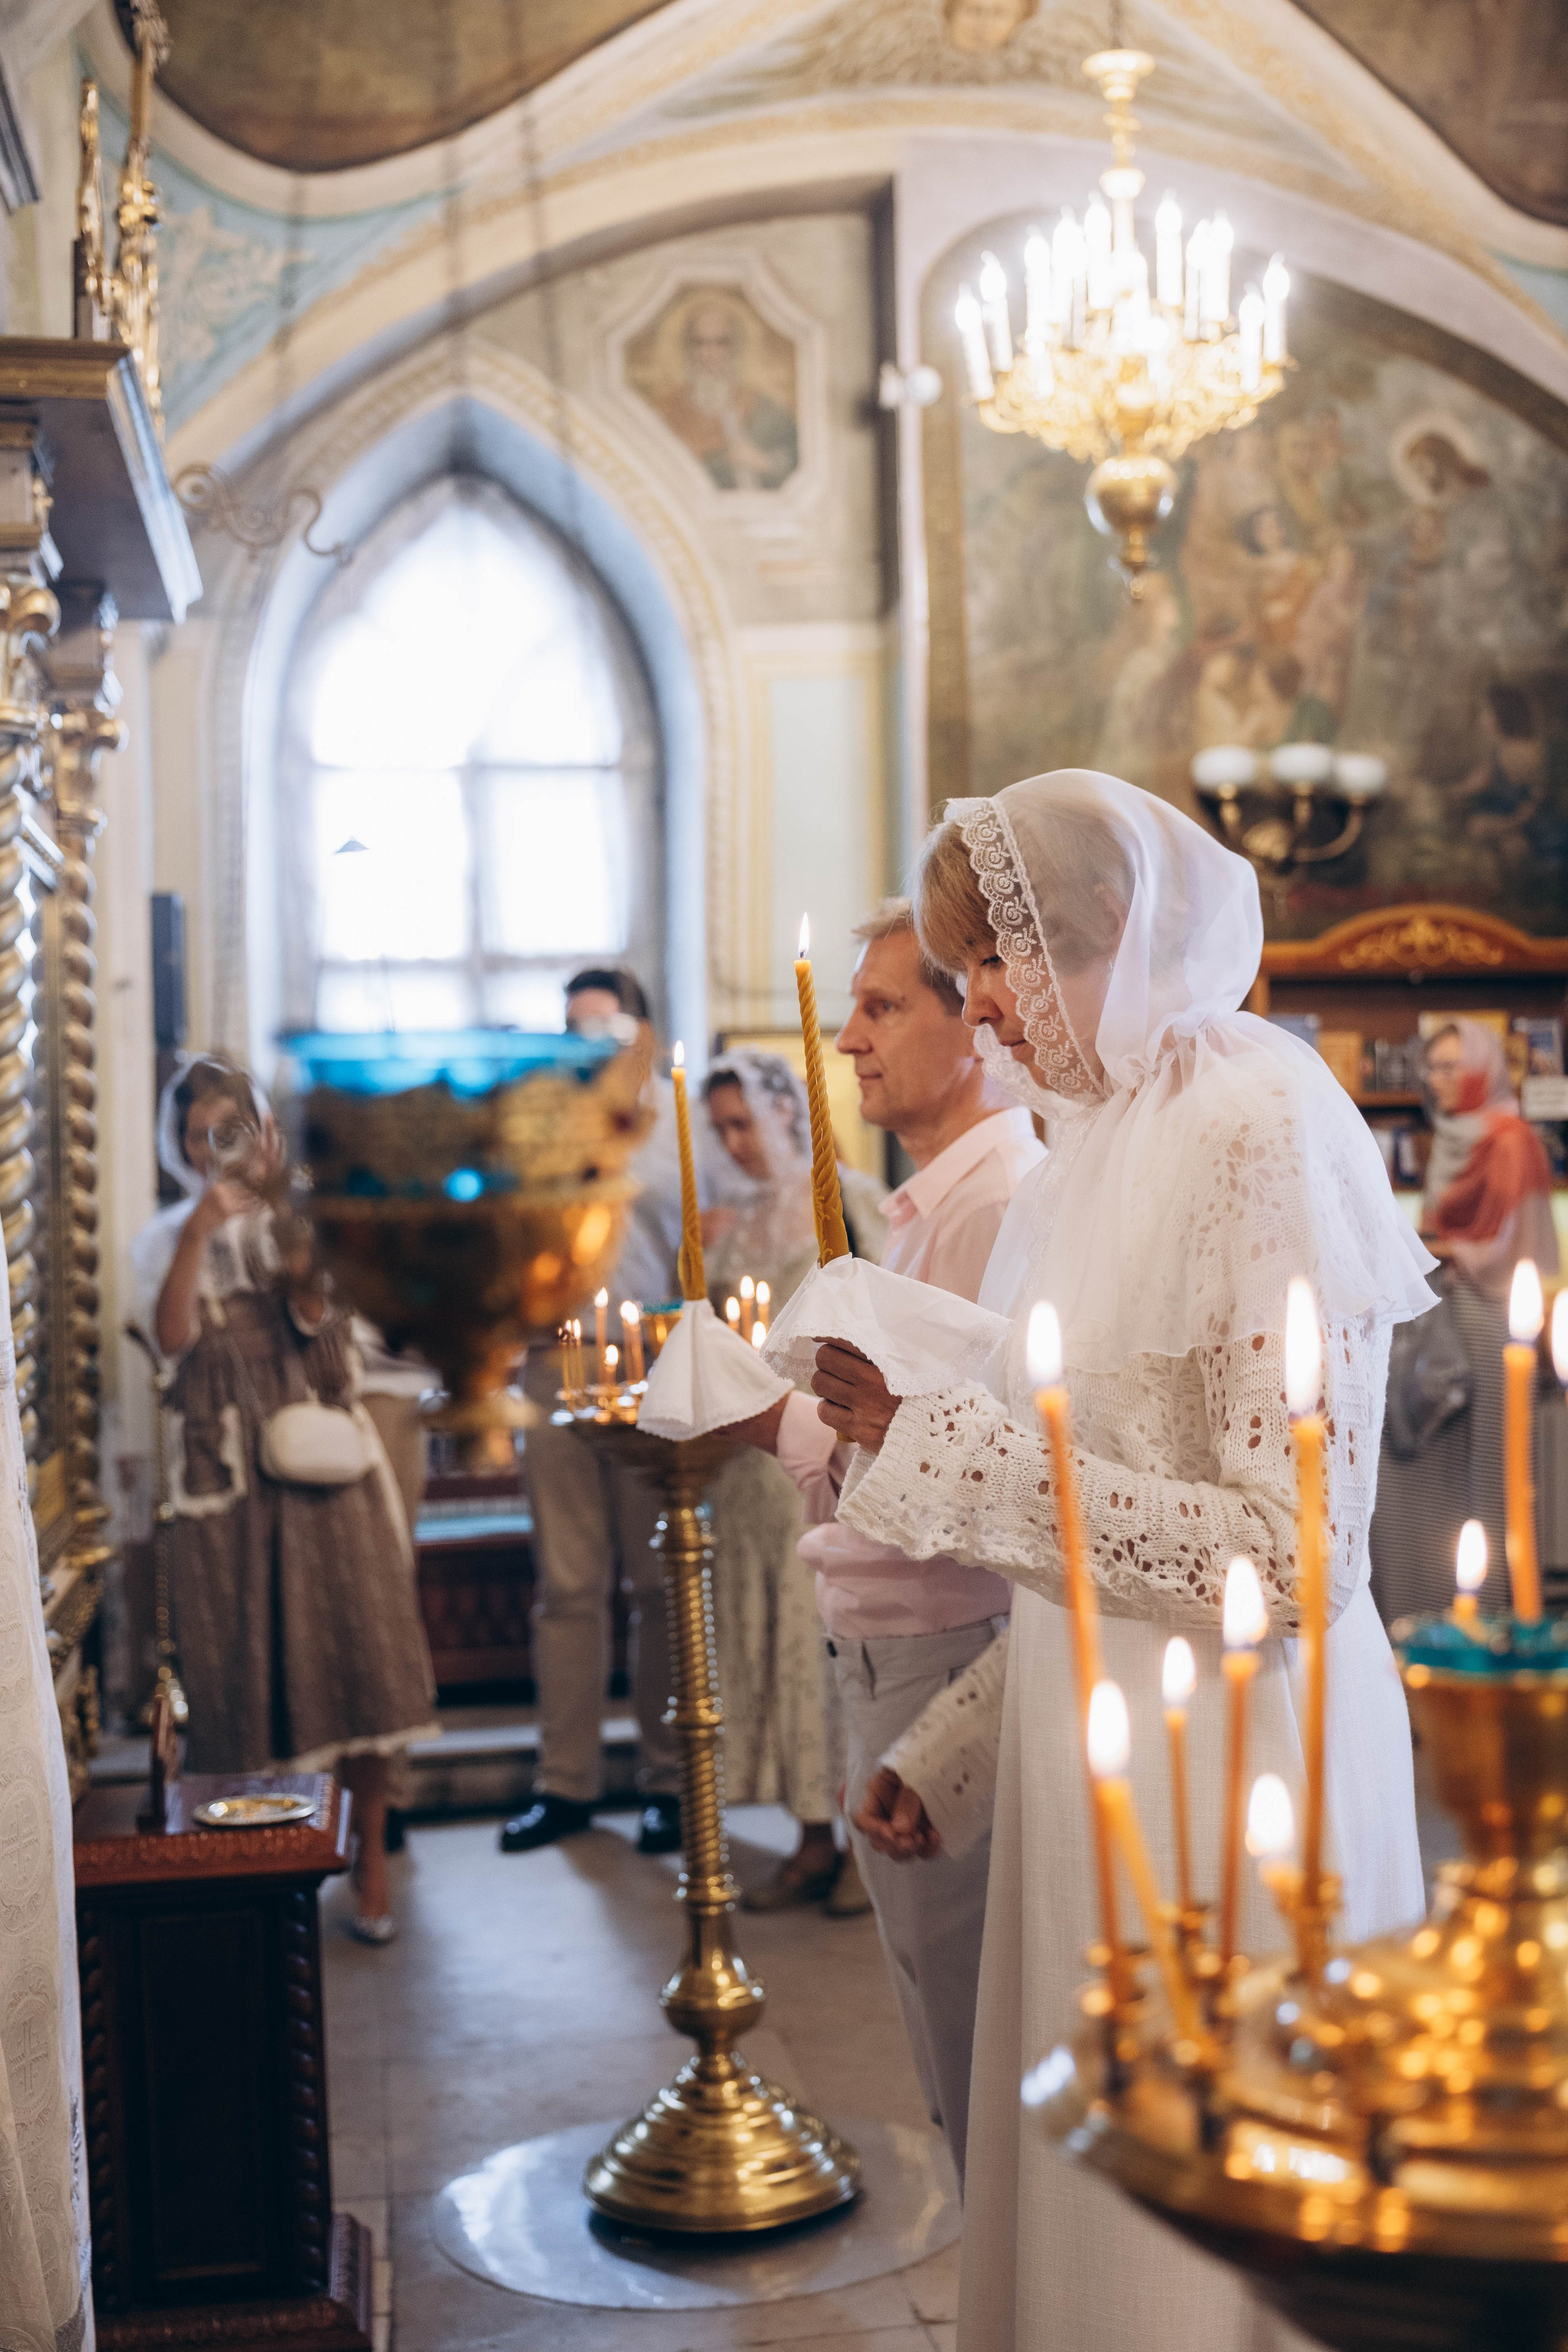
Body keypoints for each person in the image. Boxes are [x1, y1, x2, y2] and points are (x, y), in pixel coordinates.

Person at [802, 772, 1434, 2352]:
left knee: (1210, 2235)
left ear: (1100, 937)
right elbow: (1094, 1517)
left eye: (994, 963)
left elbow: (1284, 1548)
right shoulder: (1089, 1144)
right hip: (1097, 1739)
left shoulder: (1258, 1118)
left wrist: (927, 1443)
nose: (984, 1008)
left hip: (1233, 1757)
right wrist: (949, 1752)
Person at [731, 899, 1042, 2185]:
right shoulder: (929, 1207)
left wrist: (769, 1418)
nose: (845, 1043)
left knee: (976, 2054)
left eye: (880, 1007)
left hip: (947, 1642)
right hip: (887, 1641)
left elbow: (952, 1476)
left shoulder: (993, 1203)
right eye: (848, 1007)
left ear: (972, 1019)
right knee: (940, 2038)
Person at [130, 1054, 439, 1943]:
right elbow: (174, 1336)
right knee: (242, 1672)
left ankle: (372, 1858)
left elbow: (315, 1312)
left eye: (228, 1133)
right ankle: (263, 1866)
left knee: (363, 1660)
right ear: (177, 1145)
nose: (212, 1152)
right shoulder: (164, 1235)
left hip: (323, 1465)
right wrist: (198, 1230)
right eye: (197, 1137)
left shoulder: (299, 1221)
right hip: (224, 1480)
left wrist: (286, 1205)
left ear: (260, 1132)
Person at [501, 967, 685, 1855]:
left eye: (606, 1031)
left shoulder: (677, 1130)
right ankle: (564, 1784)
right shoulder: (535, 1130)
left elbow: (705, 1255)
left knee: (659, 1583)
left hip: (654, 1366)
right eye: (573, 1030)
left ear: (643, 1037)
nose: (588, 1048)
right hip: (552, 1362)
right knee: (567, 1589)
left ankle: (668, 1782)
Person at [700, 1050, 861, 1910]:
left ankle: (859, 1840)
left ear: (787, 1115)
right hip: (741, 1471)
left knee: (826, 1647)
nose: (735, 1142)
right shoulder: (732, 1220)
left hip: (816, 1450)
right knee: (771, 1649)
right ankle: (806, 1834)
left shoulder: (849, 1201)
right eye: (720, 1128)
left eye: (743, 1122)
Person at [1370, 1018, 1561, 1621]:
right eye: (1432, 1066)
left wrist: (1440, 1248)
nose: (1436, 1079)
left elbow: (1511, 1238)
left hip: (1493, 1314)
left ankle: (1507, 1610)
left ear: (1482, 1070)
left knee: (1495, 1467)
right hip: (1453, 1308)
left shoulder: (1511, 1140)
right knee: (1447, 1472)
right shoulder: (1451, 1137)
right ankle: (1445, 1602)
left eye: (1451, 1066)